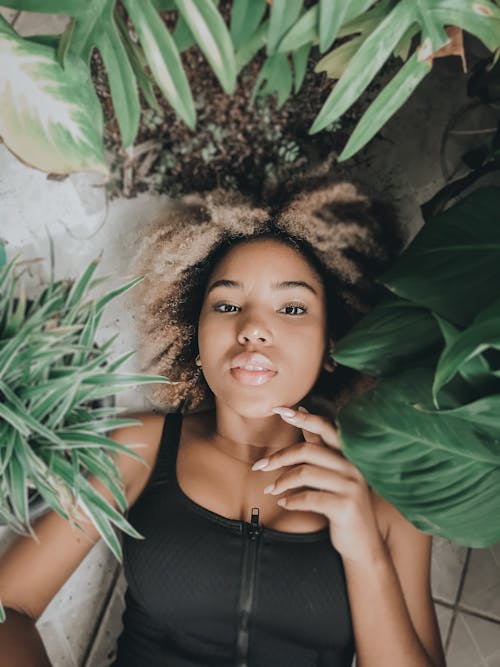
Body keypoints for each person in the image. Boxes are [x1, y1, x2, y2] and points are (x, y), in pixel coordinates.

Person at [0, 183, 446, 667]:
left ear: (332, 341)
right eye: (227, 305)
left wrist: (365, 554)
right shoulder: (141, 448)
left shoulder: (388, 495)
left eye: (292, 308)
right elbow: (9, 606)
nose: (252, 326)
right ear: (195, 334)